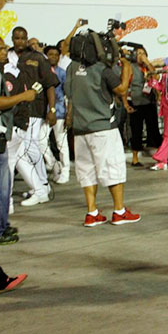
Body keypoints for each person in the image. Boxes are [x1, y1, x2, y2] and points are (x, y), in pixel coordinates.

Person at [65, 48, 141, 226]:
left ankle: (92, 213)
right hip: (103, 127)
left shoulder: (72, 67)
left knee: (86, 170)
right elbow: (121, 89)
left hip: (80, 128)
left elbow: (69, 94)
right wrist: (127, 68)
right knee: (112, 167)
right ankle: (119, 211)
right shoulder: (101, 69)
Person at [0, 30, 39, 246]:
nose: (5, 52)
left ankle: (1, 225)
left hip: (1, 134)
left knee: (3, 183)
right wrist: (23, 97)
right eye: (0, 49)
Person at [8, 26, 58, 207]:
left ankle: (43, 184)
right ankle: (37, 184)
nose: (19, 41)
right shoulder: (7, 56)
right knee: (23, 149)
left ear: (27, 38)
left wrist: (52, 110)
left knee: (30, 147)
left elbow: (50, 85)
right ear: (12, 39)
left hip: (34, 109)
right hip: (13, 111)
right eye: (16, 38)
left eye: (22, 38)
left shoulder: (38, 58)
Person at [39, 45, 70, 184]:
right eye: (50, 54)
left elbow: (68, 95)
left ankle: (66, 171)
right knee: (40, 141)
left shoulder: (62, 73)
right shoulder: (41, 72)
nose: (53, 57)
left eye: (56, 55)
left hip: (60, 112)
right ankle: (52, 163)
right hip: (43, 113)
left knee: (61, 144)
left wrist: (69, 113)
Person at [126, 47, 161, 166]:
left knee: (154, 128)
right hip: (136, 101)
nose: (141, 55)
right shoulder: (130, 67)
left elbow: (156, 77)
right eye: (138, 53)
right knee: (136, 130)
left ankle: (160, 156)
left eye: (143, 53)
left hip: (149, 101)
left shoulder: (148, 67)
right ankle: (135, 158)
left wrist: (147, 63)